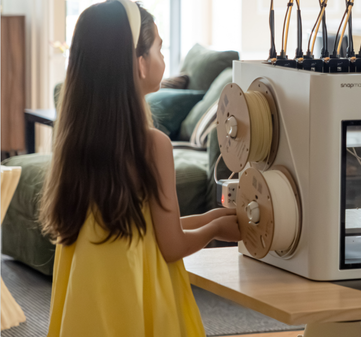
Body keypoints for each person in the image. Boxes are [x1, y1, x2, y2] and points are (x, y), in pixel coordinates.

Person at [40, 1, 241, 336]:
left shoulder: (74, 143)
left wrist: (213, 216)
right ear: (139, 64)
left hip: (90, 302)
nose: (164, 59)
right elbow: (172, 245)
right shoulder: (152, 145)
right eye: (159, 49)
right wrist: (215, 231)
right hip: (137, 295)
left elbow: (147, 229)